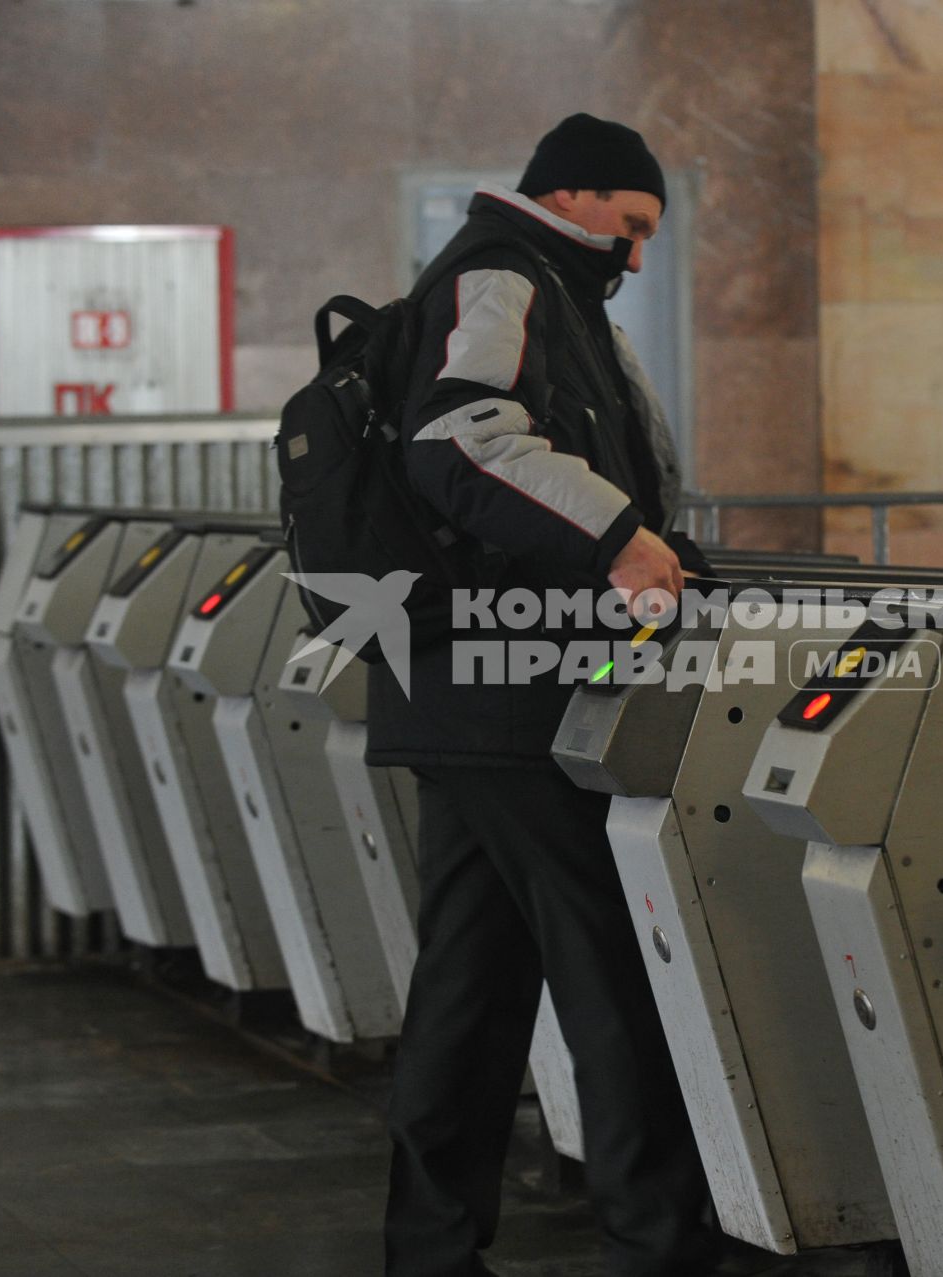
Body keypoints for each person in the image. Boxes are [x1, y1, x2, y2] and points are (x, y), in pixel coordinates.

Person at [369, 114, 750, 1277]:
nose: (636, 255)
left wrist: (647, 537)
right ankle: (661, 1242)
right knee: (612, 970)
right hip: (508, 687)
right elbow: (464, 438)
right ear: (573, 195)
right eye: (630, 225)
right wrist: (621, 539)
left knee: (471, 993)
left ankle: (431, 1250)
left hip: (467, 681)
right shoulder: (502, 273)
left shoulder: (547, 287)